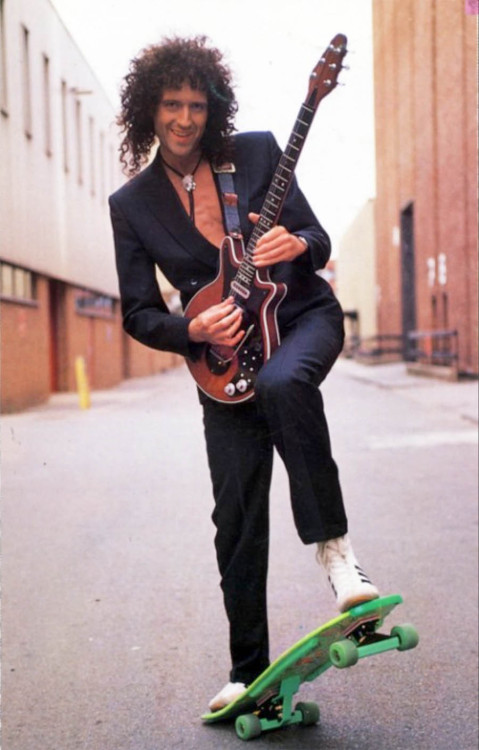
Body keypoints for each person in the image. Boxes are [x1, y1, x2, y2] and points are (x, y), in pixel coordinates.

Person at [109, 35, 379, 712]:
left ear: (213, 106)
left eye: (196, 105)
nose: (184, 118)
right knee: (235, 517)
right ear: (149, 108)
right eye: (171, 104)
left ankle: (337, 557)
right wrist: (192, 329)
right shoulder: (132, 205)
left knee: (287, 383)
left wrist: (298, 242)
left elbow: (315, 241)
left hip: (300, 321)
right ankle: (247, 672)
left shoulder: (256, 152)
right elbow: (140, 314)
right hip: (221, 365)